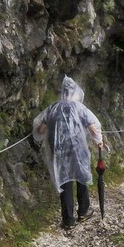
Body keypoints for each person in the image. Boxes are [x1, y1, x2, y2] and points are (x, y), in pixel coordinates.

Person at [33, 76, 104, 229]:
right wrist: (98, 141)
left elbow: (40, 130)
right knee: (81, 177)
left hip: (59, 151)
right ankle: (83, 212)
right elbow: (92, 126)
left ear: (63, 93)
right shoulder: (79, 108)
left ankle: (68, 220)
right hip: (78, 149)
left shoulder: (53, 108)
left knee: (65, 181)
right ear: (74, 92)